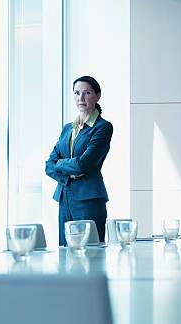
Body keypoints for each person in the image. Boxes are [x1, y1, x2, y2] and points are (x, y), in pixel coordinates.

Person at [45, 76, 113, 246]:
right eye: (77, 93)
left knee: (90, 255)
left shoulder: (102, 127)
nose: (80, 98)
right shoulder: (68, 128)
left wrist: (61, 164)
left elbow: (83, 164)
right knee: (65, 251)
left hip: (88, 200)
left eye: (87, 93)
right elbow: (48, 166)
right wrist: (68, 174)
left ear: (97, 95)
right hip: (64, 198)